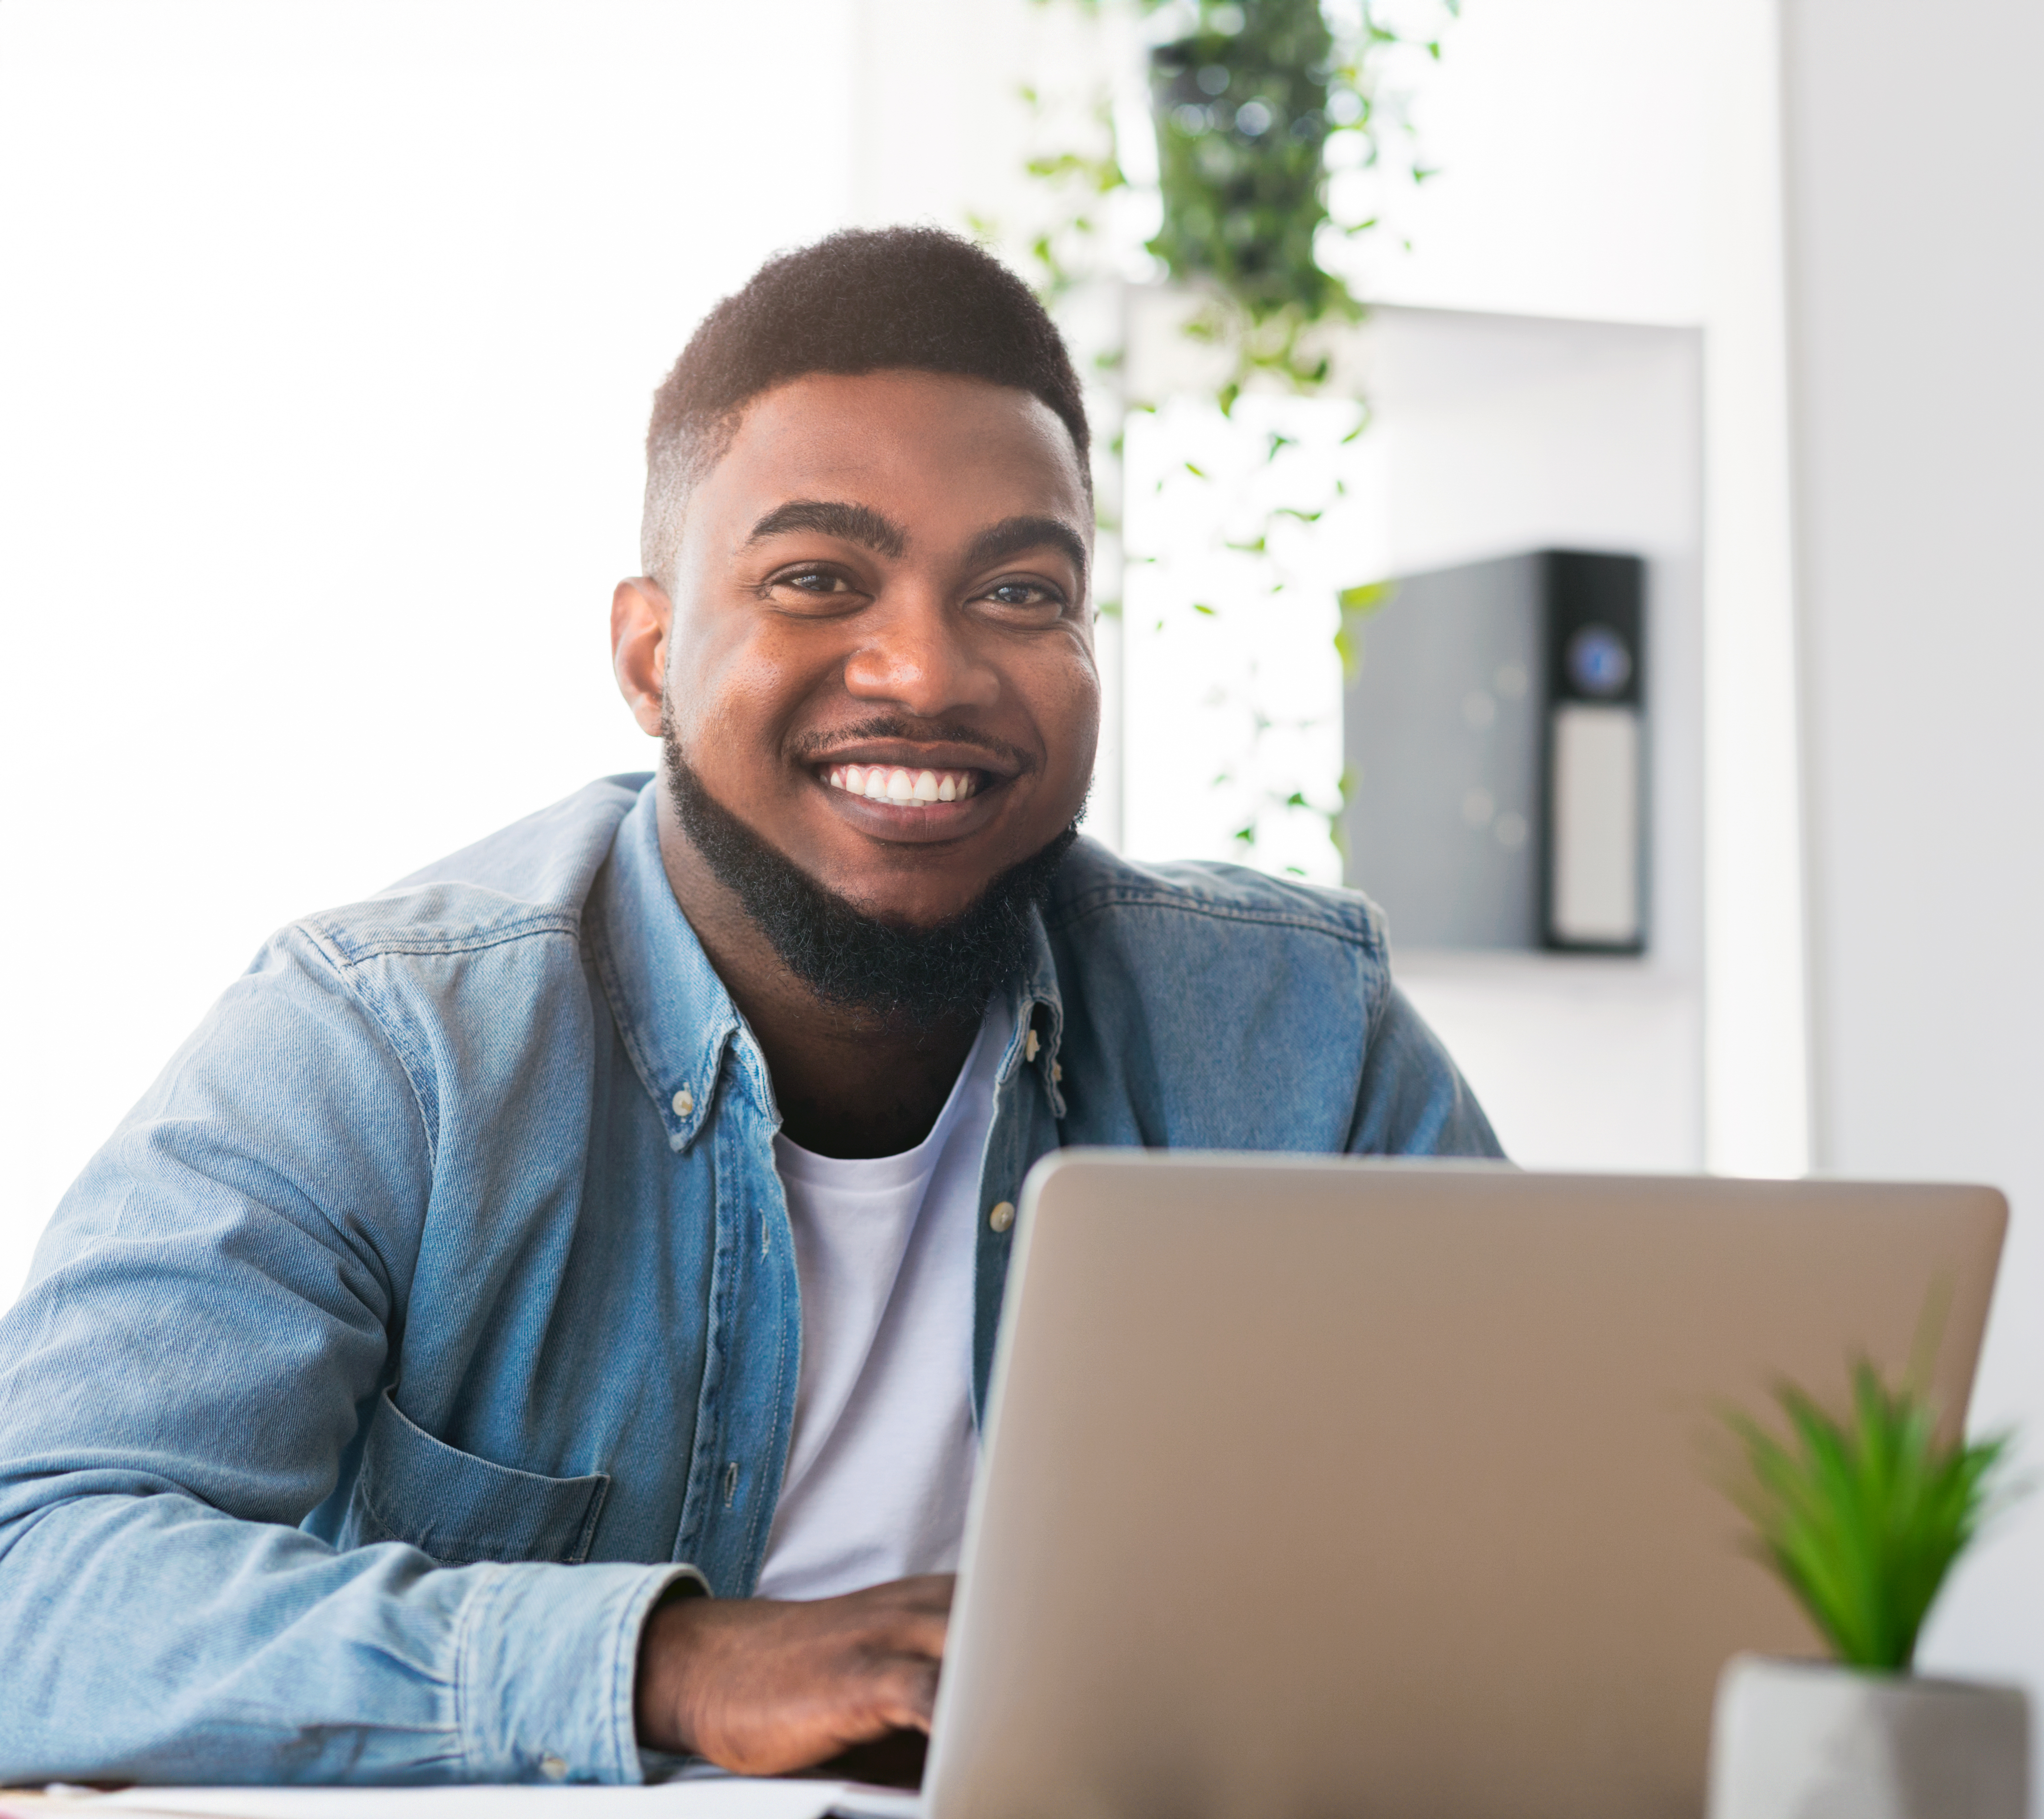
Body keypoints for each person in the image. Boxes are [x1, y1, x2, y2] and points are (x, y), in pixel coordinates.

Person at [0, 227, 1499, 1785]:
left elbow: (1568, 1523)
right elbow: (34, 1578)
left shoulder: (1298, 1032)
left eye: (1018, 588)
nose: (924, 667)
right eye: (816, 578)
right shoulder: (389, 1040)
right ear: (650, 658)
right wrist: (663, 1662)